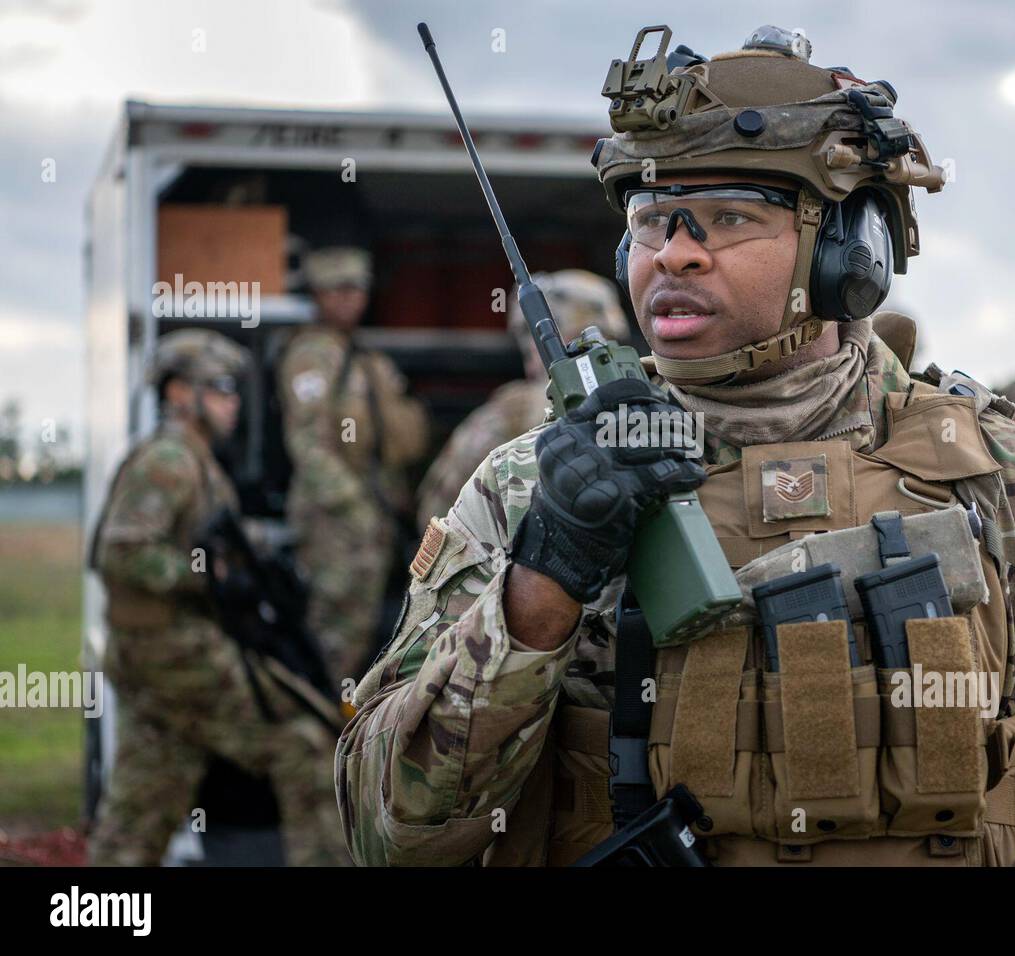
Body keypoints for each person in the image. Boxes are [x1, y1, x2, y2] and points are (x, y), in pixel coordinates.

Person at [336, 24, 1015, 867]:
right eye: (653, 219)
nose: (673, 256)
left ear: (849, 255)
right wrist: (542, 586)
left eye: (727, 219)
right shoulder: (528, 487)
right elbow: (388, 833)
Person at [88, 329, 348, 866]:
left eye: (234, 392)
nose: (232, 404)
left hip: (161, 659)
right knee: (305, 744)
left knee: (145, 803)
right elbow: (121, 550)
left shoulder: (198, 464)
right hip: (173, 653)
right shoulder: (169, 461)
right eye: (220, 390)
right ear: (180, 395)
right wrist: (206, 574)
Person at [278, 247, 429, 687]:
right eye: (338, 290)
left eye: (358, 289)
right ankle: (322, 730)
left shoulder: (360, 356)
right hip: (335, 524)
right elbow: (307, 445)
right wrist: (353, 508)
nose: (350, 299)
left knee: (368, 634)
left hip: (371, 519)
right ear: (319, 295)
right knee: (335, 637)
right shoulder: (312, 355)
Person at [415, 269, 630, 527]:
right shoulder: (646, 397)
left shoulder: (516, 406)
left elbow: (440, 509)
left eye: (530, 332)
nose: (527, 343)